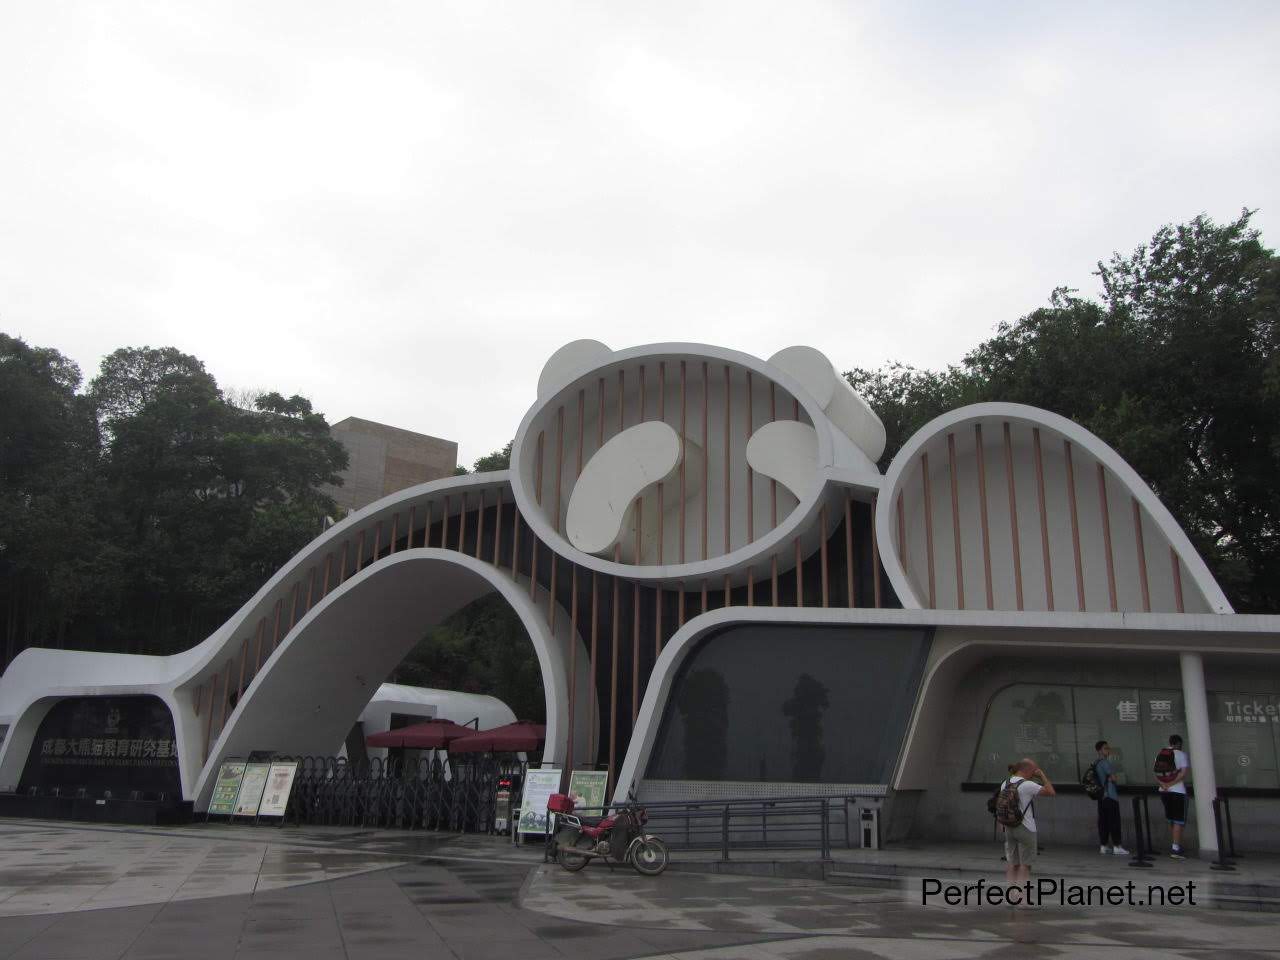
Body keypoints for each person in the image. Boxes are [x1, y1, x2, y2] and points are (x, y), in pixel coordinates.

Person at [1001, 758, 1055, 890]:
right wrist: (1042, 775)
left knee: (1013, 863)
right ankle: (1022, 900)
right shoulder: (1027, 785)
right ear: (1028, 770)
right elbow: (1051, 791)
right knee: (1025, 865)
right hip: (1026, 827)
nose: (1034, 773)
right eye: (1034, 770)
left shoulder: (1005, 782)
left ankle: (1011, 896)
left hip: (1009, 826)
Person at [1157, 734, 1190, 860]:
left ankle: (1176, 844)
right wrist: (1171, 784)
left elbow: (1156, 773)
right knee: (1178, 820)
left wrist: (1164, 785)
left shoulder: (1161, 754)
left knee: (1172, 819)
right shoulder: (1181, 755)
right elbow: (1183, 773)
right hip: (1177, 791)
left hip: (1164, 791)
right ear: (1179, 744)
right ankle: (1175, 848)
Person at [1092, 741, 1128, 855]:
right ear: (1099, 751)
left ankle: (1104, 845)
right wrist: (1115, 776)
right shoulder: (1105, 763)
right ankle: (1117, 846)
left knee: (1103, 822)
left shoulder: (1095, 763)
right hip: (1110, 796)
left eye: (1108, 748)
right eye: (1105, 748)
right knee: (1114, 821)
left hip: (1101, 796)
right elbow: (1113, 778)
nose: (1108, 750)